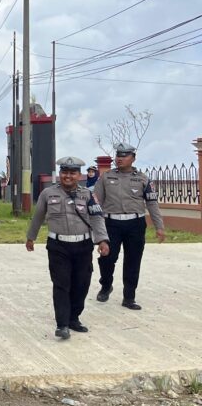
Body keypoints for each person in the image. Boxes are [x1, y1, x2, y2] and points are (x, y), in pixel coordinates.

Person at [26, 157, 110, 339]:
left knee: (82, 284)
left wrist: (103, 240)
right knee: (61, 284)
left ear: (79, 175)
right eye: (65, 172)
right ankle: (62, 324)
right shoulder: (48, 194)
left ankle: (74, 318)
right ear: (60, 174)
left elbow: (97, 217)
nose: (68, 176)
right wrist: (31, 237)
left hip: (83, 245)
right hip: (58, 246)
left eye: (72, 173)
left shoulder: (88, 195)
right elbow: (38, 217)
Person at [94, 143, 166, 310]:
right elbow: (96, 203)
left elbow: (152, 203)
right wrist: (96, 229)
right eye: (118, 155)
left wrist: (159, 226)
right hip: (111, 223)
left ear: (133, 158)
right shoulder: (106, 177)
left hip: (135, 224)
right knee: (107, 258)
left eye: (124, 155)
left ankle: (129, 297)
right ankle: (106, 285)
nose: (119, 158)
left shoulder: (142, 178)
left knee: (133, 260)